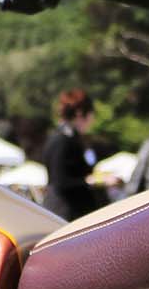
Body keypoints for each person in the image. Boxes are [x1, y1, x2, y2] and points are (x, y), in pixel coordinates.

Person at [43, 88, 105, 220]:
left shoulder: (70, 138)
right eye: (91, 114)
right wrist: (91, 181)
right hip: (65, 214)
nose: (92, 119)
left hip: (70, 212)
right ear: (80, 113)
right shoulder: (62, 140)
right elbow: (60, 181)